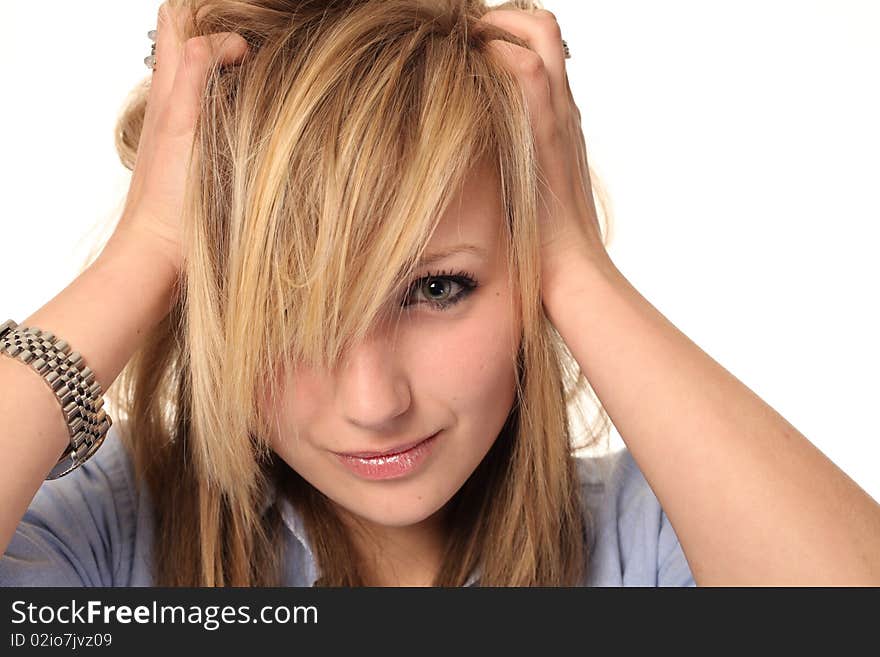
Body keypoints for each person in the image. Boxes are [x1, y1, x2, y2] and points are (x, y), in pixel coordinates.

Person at [1, 0, 878, 588]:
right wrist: (142, 254)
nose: (375, 401)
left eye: (437, 287)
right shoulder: (104, 546)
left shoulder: (649, 544)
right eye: (282, 311)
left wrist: (575, 264)